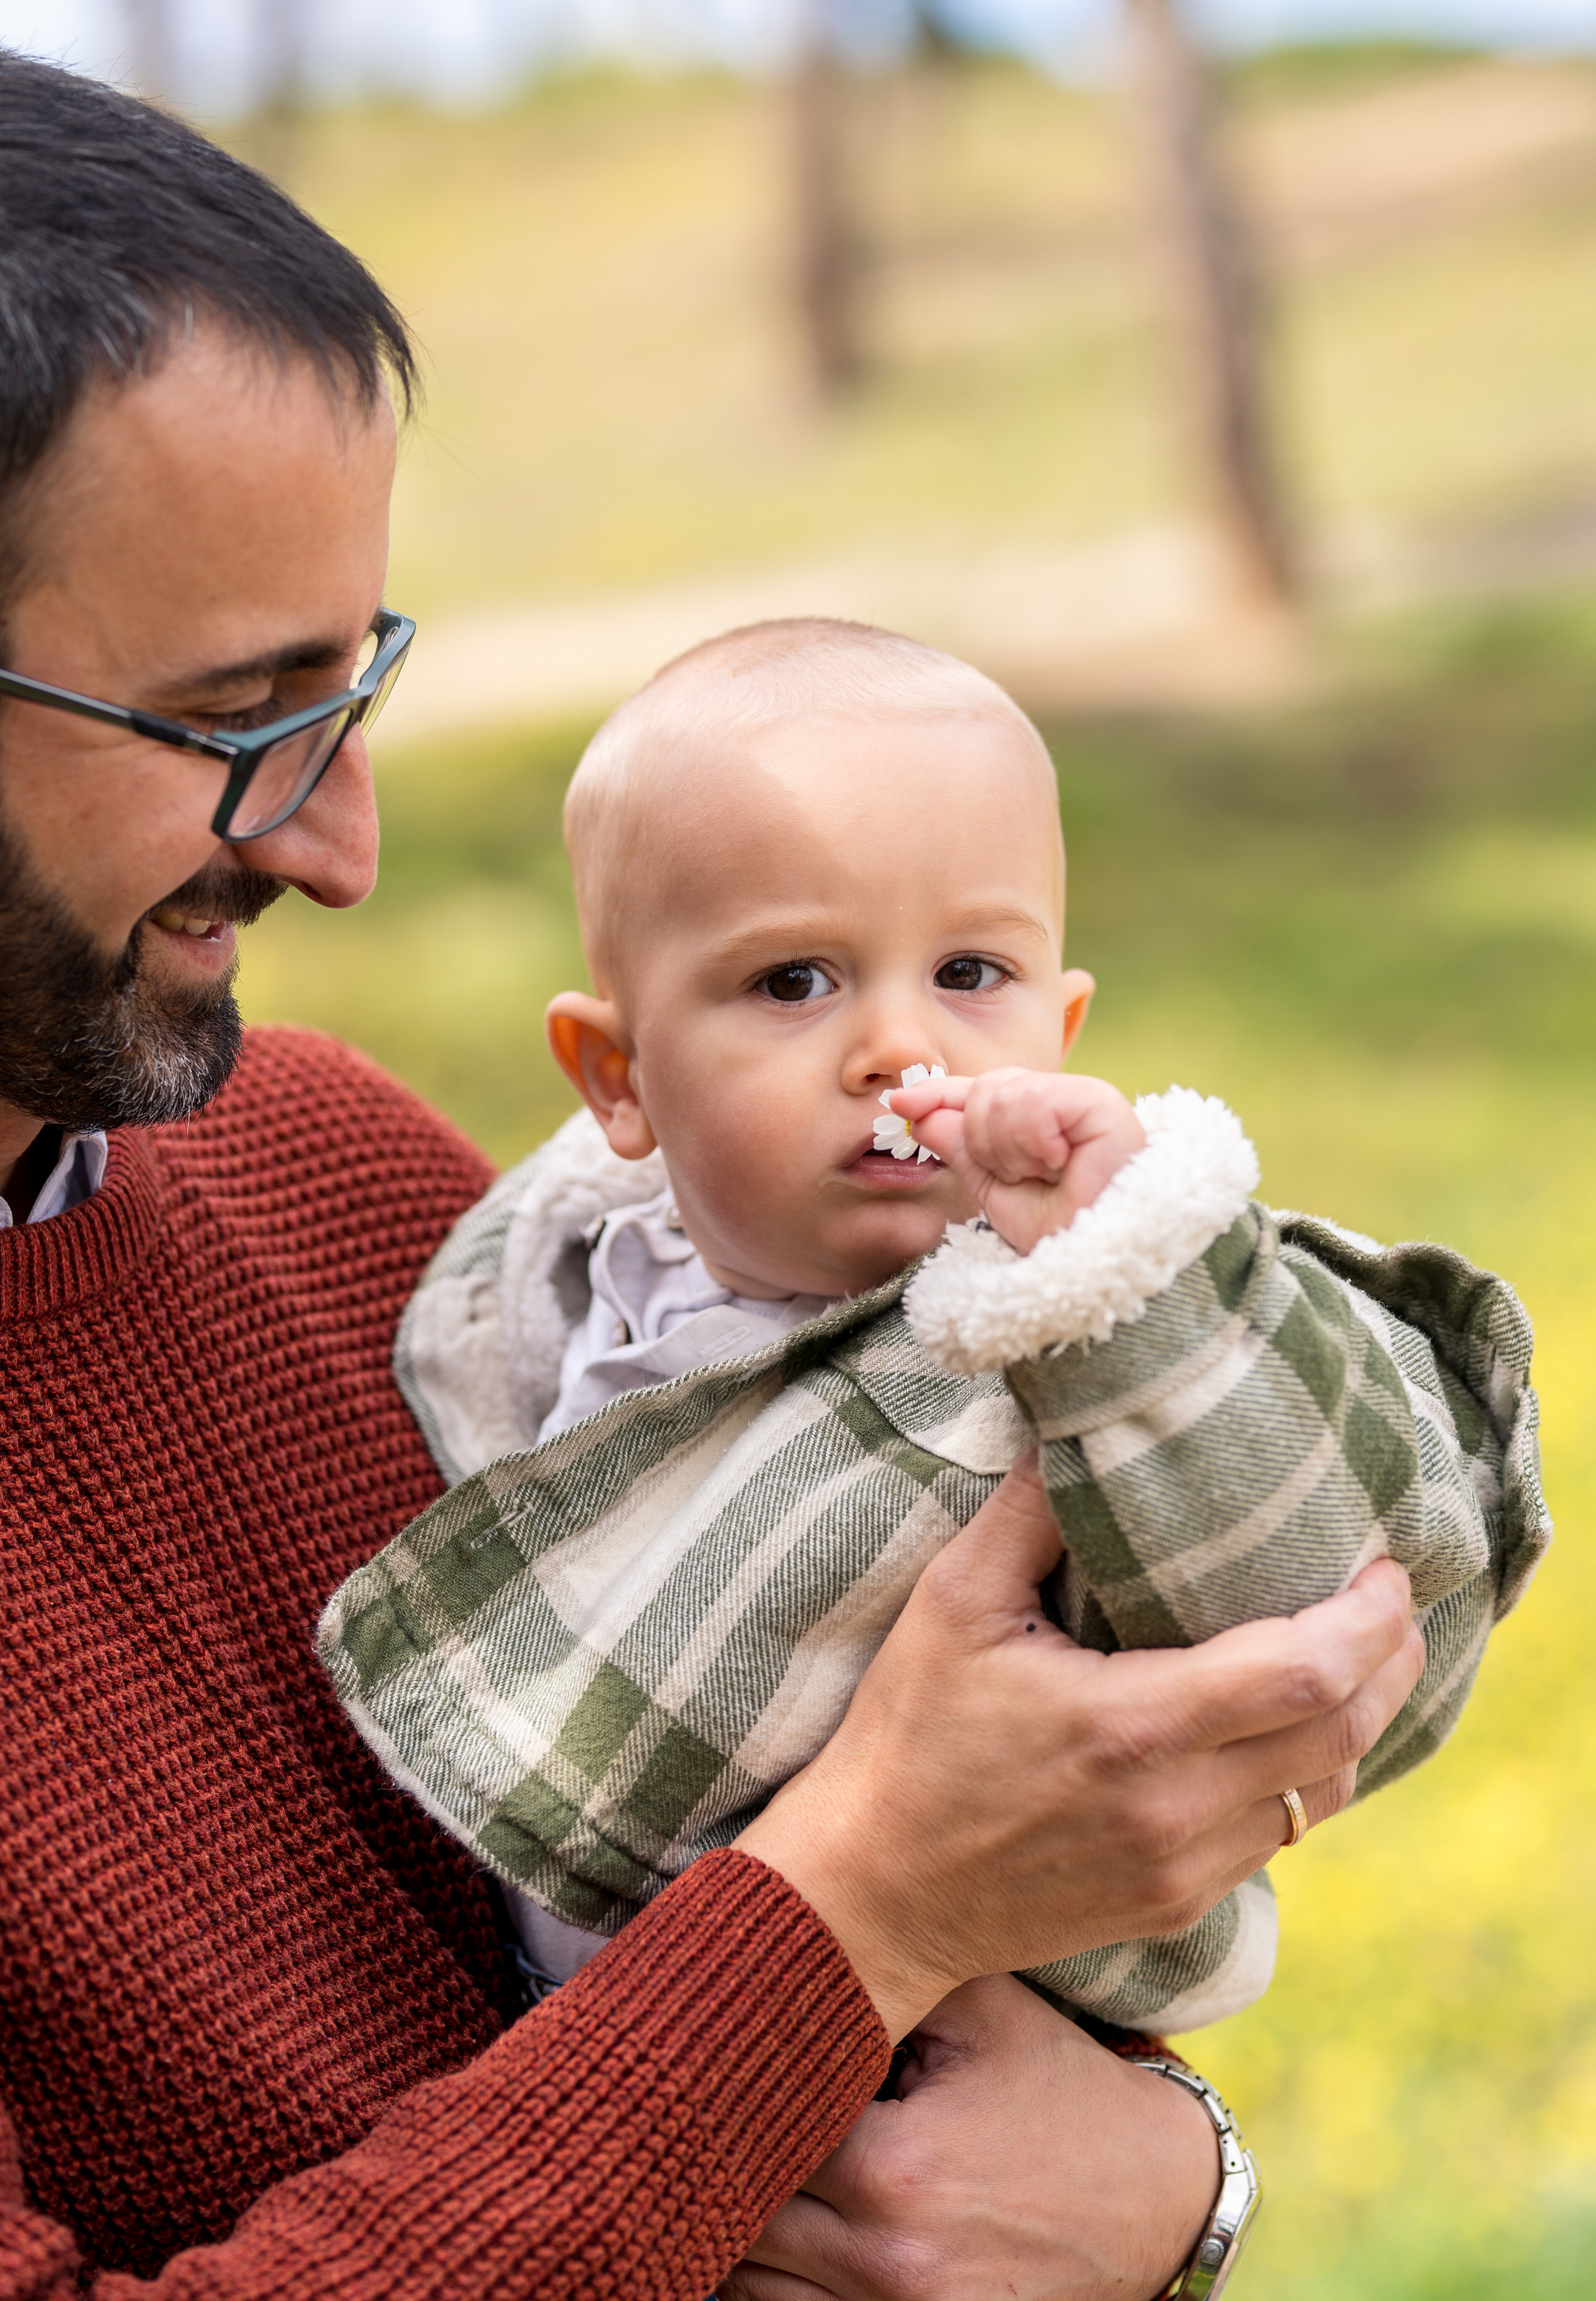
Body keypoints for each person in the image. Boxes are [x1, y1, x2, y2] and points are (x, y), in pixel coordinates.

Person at [0, 49, 1429, 2301]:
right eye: (236, 719)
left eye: (354, 684)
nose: (346, 846)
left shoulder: (344, 1190)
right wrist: (865, 1911)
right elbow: (806, 1941)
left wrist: (1167, 2188)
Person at [319, 617, 1547, 2042]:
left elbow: (1279, 1554)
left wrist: (1119, 1285)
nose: (901, 1050)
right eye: (792, 982)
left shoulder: (1056, 1338)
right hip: (575, 2036)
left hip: (919, 2046)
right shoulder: (563, 1272)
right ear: (618, 1075)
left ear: (1063, 1028)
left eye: (969, 975)